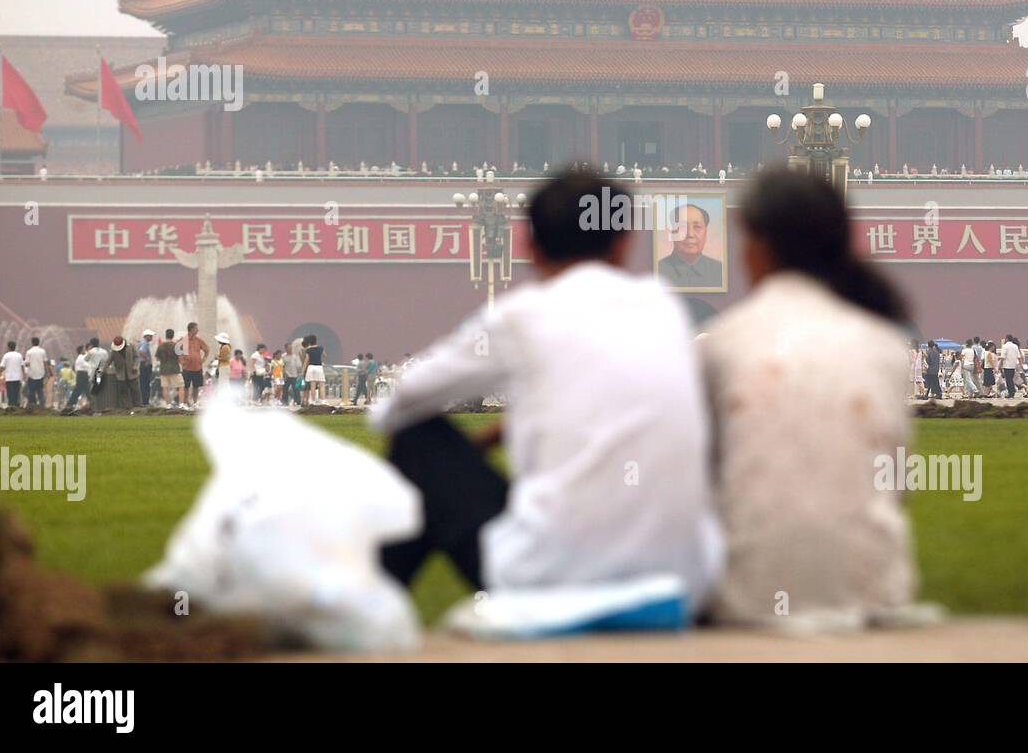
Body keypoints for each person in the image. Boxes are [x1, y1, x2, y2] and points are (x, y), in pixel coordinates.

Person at [370, 168, 722, 611]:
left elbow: (397, 404)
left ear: (528, 246)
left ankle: (366, 608)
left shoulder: (523, 316)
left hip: (553, 579)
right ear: (623, 241)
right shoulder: (663, 306)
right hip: (681, 578)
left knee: (418, 443)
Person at [699, 169, 915, 623]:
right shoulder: (886, 344)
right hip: (875, 595)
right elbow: (896, 485)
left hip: (745, 601)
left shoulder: (721, 342)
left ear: (757, 246)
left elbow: (703, 484)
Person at [657, 203, 724, 289]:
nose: (690, 234)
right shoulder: (657, 271)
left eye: (697, 227)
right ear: (672, 232)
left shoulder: (720, 271)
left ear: (706, 233)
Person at [179, 322, 209, 407]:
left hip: (197, 368)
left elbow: (207, 349)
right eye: (196, 328)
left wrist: (204, 359)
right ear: (192, 329)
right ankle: (185, 402)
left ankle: (195, 402)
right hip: (186, 368)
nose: (198, 330)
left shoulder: (198, 340)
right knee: (186, 386)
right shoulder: (184, 340)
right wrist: (181, 360)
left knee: (196, 386)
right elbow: (177, 350)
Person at [156, 329, 183, 407]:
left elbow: (157, 358)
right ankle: (181, 404)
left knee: (165, 387)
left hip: (163, 369)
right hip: (175, 369)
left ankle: (168, 405)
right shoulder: (176, 346)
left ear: (166, 335)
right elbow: (180, 358)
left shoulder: (160, 346)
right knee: (181, 386)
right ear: (173, 335)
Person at [24, 336, 48, 409]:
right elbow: (45, 362)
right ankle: (42, 405)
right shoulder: (42, 351)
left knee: (31, 391)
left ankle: (32, 405)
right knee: (40, 390)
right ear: (38, 342)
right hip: (40, 373)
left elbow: (27, 364)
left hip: (32, 374)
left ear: (32, 343)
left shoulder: (29, 352)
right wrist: (47, 372)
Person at [0, 341, 24, 409]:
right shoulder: (19, 355)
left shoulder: (6, 355)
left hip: (9, 378)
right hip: (18, 378)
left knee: (10, 393)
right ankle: (17, 405)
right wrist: (23, 375)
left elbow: (2, 366)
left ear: (8, 347)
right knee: (16, 393)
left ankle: (11, 407)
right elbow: (22, 366)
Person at [302, 335, 326, 404]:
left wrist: (303, 370)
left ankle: (313, 400)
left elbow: (306, 360)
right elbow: (325, 355)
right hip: (319, 367)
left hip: (311, 367)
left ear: (309, 342)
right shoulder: (321, 348)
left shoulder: (308, 350)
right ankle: (323, 400)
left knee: (312, 385)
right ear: (316, 340)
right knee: (321, 385)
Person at [136, 330, 156, 407]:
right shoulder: (145, 343)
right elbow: (141, 351)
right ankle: (145, 402)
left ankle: (144, 401)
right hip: (145, 365)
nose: (151, 337)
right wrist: (147, 360)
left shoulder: (142, 343)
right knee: (145, 384)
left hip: (142, 365)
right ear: (146, 336)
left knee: (143, 383)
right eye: (150, 336)